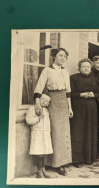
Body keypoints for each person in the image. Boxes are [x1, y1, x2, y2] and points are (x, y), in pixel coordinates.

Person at [34, 47, 73, 176]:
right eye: (61, 55)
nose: (63, 58)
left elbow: (68, 92)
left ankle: (61, 162)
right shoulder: (47, 70)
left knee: (63, 133)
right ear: (54, 56)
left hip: (64, 103)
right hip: (53, 101)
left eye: (65, 56)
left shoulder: (65, 71)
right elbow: (38, 89)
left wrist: (70, 107)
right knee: (55, 132)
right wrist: (37, 104)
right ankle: (53, 163)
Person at [70, 58, 99, 167]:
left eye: (88, 67)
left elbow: (98, 93)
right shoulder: (73, 78)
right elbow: (70, 94)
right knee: (78, 132)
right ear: (79, 68)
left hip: (91, 110)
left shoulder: (93, 79)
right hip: (78, 109)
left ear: (90, 68)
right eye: (84, 67)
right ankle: (77, 160)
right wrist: (81, 95)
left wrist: (94, 95)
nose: (86, 68)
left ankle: (89, 158)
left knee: (89, 131)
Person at [26, 94, 53, 178]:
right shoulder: (33, 108)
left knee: (44, 153)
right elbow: (28, 120)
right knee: (39, 153)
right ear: (38, 100)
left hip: (45, 133)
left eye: (47, 101)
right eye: (43, 100)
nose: (44, 102)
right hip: (37, 133)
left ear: (48, 104)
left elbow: (48, 122)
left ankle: (43, 170)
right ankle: (39, 171)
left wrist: (48, 131)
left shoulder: (45, 110)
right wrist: (39, 118)